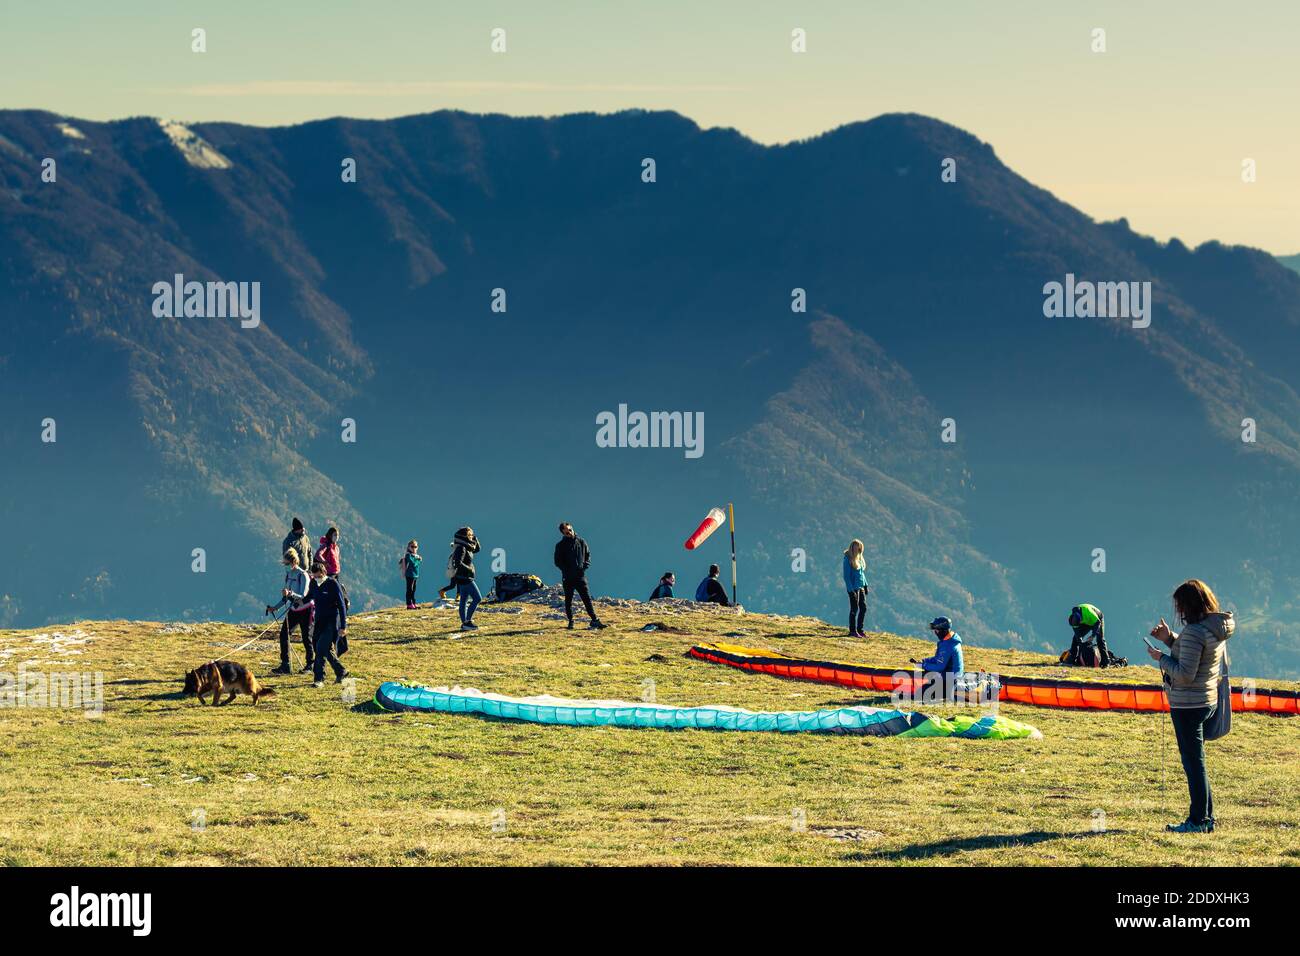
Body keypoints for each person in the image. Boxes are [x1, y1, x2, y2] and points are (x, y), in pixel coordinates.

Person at [1146, 579, 1234, 834]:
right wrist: (1170, 639)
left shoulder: (1195, 631)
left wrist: (1160, 659)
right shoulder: (1213, 628)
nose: (1179, 611)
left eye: (1180, 606)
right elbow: (1196, 655)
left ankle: (1197, 820)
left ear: (1188, 605)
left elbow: (1185, 673)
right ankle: (1206, 818)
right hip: (1206, 700)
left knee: (1193, 764)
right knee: (1198, 762)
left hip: (1188, 704)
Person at [266, 549, 313, 676]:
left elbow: (303, 594)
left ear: (293, 562)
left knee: (306, 637)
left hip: (306, 610)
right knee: (284, 635)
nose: (285, 566)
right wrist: (275, 608)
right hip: (293, 609)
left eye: (286, 563)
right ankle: (285, 665)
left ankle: (310, 664)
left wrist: (290, 593)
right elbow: (286, 597)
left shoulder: (302, 575)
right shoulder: (289, 575)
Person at [303, 560, 349, 688]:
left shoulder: (332, 584)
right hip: (318, 621)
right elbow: (308, 597)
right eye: (314, 576)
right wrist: (293, 598)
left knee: (320, 649)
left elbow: (341, 605)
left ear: (324, 573)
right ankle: (341, 671)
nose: (317, 578)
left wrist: (343, 626)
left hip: (331, 621)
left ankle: (319, 679)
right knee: (326, 649)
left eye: (319, 576)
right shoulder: (313, 583)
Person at [553, 522, 606, 629]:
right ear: (563, 534)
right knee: (568, 600)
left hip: (580, 576)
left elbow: (588, 556)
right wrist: (566, 570)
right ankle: (571, 621)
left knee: (587, 599)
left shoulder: (581, 542)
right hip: (568, 577)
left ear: (572, 528)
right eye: (567, 532)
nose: (570, 533)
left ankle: (594, 620)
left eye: (570, 530)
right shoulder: (560, 545)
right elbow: (557, 561)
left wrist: (583, 568)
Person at [1064, 603, 1117, 667]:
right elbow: (1078, 635)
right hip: (1086, 622)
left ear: (1080, 619)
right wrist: (1081, 643)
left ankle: (1106, 661)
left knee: (1100, 639)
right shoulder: (1073, 620)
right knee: (1075, 639)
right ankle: (1073, 660)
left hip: (1097, 620)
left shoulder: (1088, 612)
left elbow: (1098, 623)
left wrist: (1092, 636)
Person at [449, 527, 482, 629]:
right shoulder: (461, 548)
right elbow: (458, 563)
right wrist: (469, 570)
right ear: (466, 536)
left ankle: (465, 623)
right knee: (477, 598)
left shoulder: (467, 546)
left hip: (462, 577)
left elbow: (477, 549)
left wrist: (475, 539)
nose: (471, 536)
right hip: (465, 577)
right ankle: (467, 622)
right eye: (470, 535)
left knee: (464, 600)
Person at [315, 526, 349, 613]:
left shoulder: (336, 547)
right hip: (329, 574)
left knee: (339, 591)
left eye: (337, 535)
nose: (336, 537)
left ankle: (342, 608)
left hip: (336, 573)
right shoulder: (326, 545)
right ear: (330, 535)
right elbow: (318, 554)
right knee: (334, 592)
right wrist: (325, 562)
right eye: (335, 535)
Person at [843, 539, 869, 637]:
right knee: (854, 608)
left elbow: (861, 573)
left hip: (860, 586)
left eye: (860, 550)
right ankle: (852, 631)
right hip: (853, 588)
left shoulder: (859, 559)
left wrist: (865, 585)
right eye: (857, 549)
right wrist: (851, 591)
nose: (859, 551)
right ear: (853, 548)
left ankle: (860, 630)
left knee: (863, 608)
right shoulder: (847, 559)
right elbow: (846, 577)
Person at [401, 540, 422, 610]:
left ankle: (413, 603)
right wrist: (418, 560)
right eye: (412, 546)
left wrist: (418, 559)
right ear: (409, 547)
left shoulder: (416, 556)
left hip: (415, 575)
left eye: (415, 547)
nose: (414, 548)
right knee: (409, 589)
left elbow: (415, 564)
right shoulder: (408, 555)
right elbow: (413, 563)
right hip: (410, 575)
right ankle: (409, 604)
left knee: (413, 590)